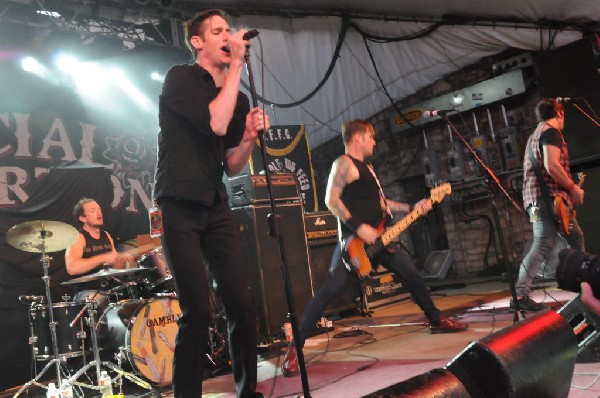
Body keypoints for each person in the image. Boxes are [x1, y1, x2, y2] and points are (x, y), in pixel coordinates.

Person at [281, 120, 468, 377]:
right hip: (355, 245)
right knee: (328, 293)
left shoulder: (368, 168)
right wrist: (359, 228)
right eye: (371, 137)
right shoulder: (343, 164)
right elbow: (330, 200)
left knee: (412, 274)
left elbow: (380, 203)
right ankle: (295, 348)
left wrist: (411, 207)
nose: (374, 142)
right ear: (358, 137)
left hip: (382, 238)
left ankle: (436, 320)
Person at [153, 9, 269, 398]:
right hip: (178, 205)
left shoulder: (238, 98)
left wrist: (250, 136)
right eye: (218, 31)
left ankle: (247, 392)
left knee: (242, 303)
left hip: (214, 204)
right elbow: (215, 123)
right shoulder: (181, 79)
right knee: (198, 312)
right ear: (198, 42)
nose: (228, 35)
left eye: (229, 31)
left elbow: (233, 164)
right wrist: (236, 63)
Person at [514, 98, 585, 312]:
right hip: (547, 200)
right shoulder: (551, 132)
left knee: (573, 237)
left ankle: (585, 282)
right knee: (546, 243)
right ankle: (520, 294)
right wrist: (573, 187)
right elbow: (552, 165)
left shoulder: (535, 134)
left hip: (535, 201)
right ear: (560, 114)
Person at [65, 198, 134, 307]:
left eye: (99, 210)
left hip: (111, 291)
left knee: (134, 302)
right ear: (82, 218)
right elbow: (72, 268)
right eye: (92, 211)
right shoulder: (78, 237)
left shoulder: (106, 235)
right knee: (100, 301)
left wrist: (123, 260)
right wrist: (104, 257)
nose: (99, 213)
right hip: (87, 292)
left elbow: (115, 268)